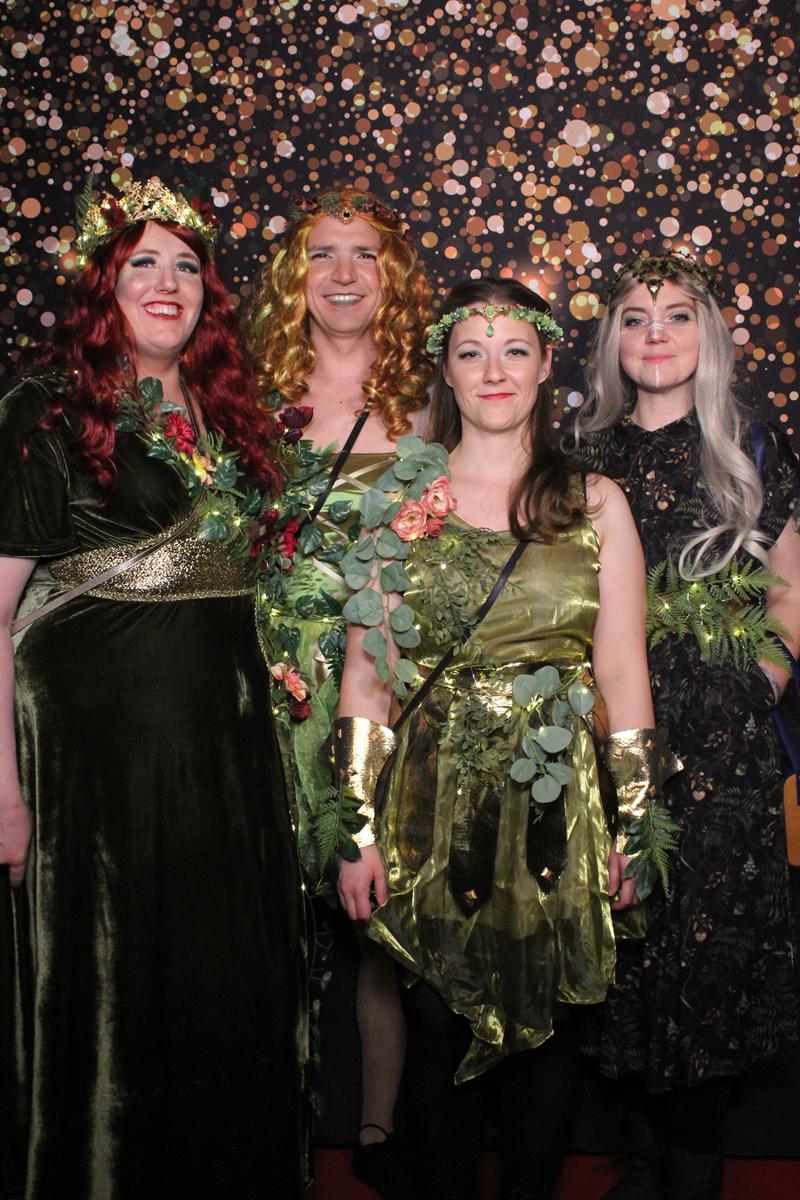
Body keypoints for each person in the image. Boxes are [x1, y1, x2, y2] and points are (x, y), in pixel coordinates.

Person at [0, 177, 307, 1199]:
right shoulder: (46, 409)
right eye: (142, 262)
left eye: (186, 265)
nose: (167, 281)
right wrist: (3, 790)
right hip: (96, 759)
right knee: (116, 978)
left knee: (217, 979)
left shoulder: (231, 415)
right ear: (103, 283)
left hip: (223, 747)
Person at [335, 277, 668, 1200]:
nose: (493, 370)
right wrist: (355, 826)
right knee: (434, 1027)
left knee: (551, 1038)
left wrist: (638, 819)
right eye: (471, 351)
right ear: (444, 369)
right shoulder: (402, 499)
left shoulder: (595, 502)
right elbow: (367, 675)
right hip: (426, 801)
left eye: (514, 349)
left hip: (557, 806)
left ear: (546, 364)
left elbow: (623, 673)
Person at [571, 249, 800, 1199]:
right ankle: (637, 1163)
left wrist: (758, 685)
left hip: (722, 742)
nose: (654, 334)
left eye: (674, 316)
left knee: (709, 952)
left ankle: (694, 1173)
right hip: (610, 725)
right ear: (611, 341)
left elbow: (789, 596)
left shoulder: (751, 447)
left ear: (707, 336)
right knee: (627, 941)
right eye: (634, 317)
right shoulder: (580, 454)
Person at [245, 183, 432, 1196]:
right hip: (264, 684)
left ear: (392, 278)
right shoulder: (244, 396)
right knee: (263, 921)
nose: (345, 273)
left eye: (366, 254)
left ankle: (379, 1133)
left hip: (384, 684)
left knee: (380, 929)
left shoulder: (429, 402)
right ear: (296, 277)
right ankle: (261, 1129)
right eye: (323, 253)